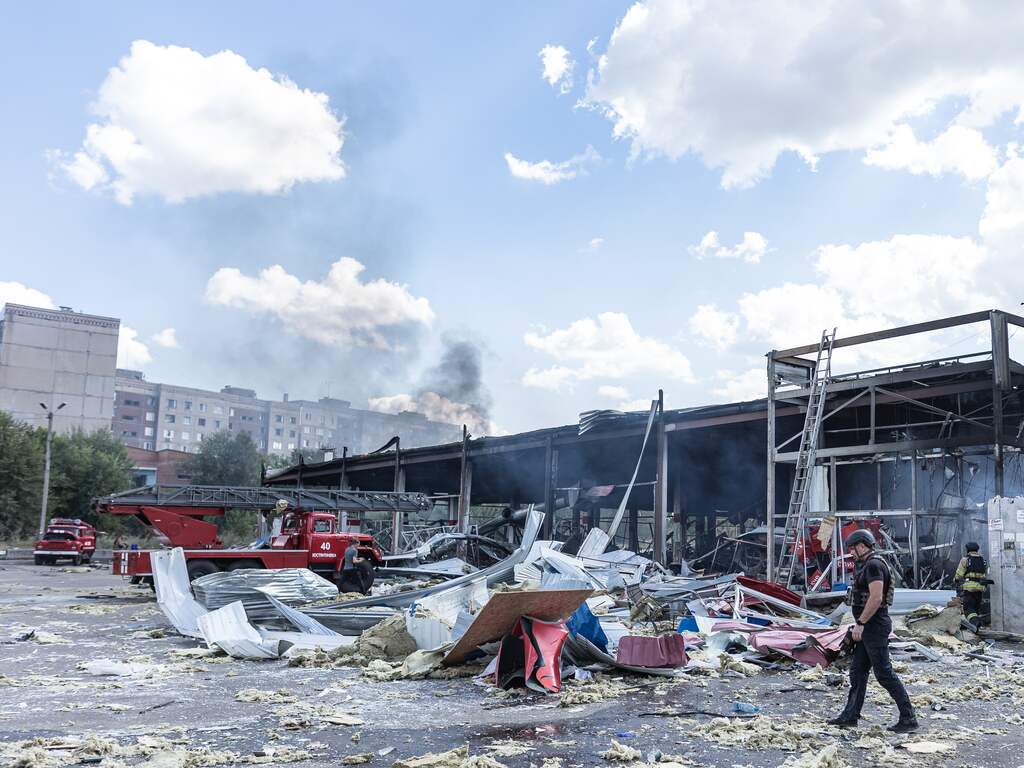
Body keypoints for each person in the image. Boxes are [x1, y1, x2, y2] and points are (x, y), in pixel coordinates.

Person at [828, 529, 918, 732]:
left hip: (874, 627)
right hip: (868, 626)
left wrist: (860, 623)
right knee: (858, 671)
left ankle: (908, 718)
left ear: (862, 546)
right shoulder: (867, 564)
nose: (851, 552)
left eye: (853, 548)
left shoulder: (874, 565)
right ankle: (850, 715)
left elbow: (876, 598)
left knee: (884, 673)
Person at [955, 542, 988, 631]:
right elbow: (985, 574)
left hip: (969, 588)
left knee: (968, 608)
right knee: (975, 608)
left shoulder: (965, 560)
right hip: (980, 588)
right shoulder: (983, 560)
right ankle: (975, 627)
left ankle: (976, 623)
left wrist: (956, 580)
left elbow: (959, 574)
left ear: (967, 550)